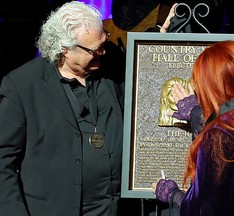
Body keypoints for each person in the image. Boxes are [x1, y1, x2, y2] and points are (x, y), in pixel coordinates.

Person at [0, 1, 137, 215]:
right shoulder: (23, 85)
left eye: (104, 42)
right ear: (64, 48)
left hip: (114, 209)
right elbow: (3, 160)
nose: (102, 52)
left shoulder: (113, 68)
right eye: (94, 49)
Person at [151, 40, 234, 215]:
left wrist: (173, 195)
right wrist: (198, 116)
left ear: (209, 86)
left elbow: (205, 208)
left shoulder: (219, 136)